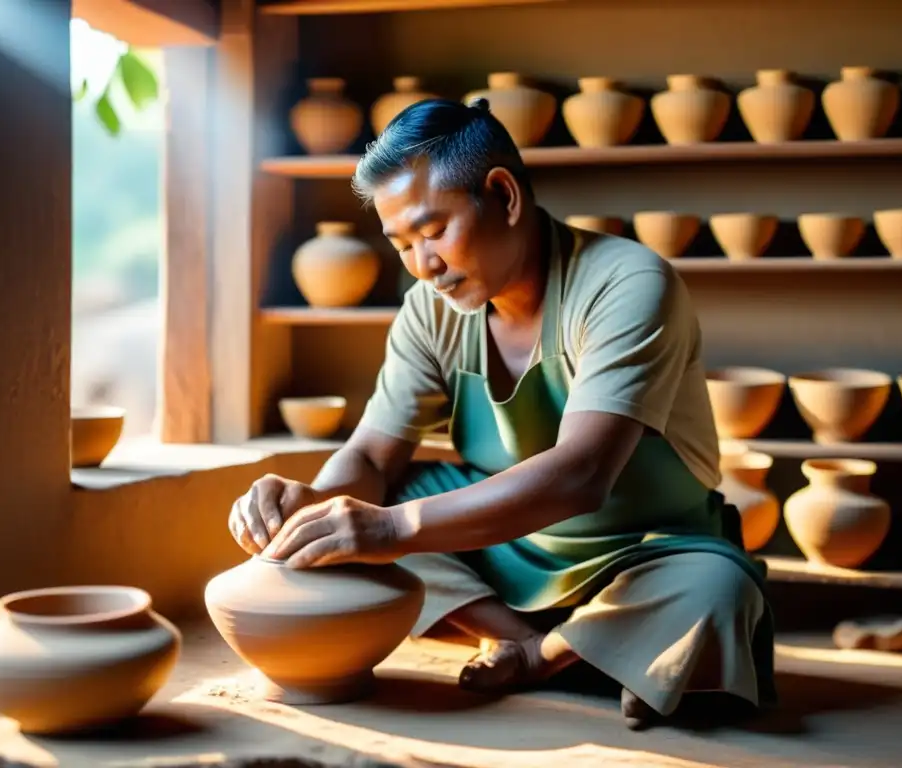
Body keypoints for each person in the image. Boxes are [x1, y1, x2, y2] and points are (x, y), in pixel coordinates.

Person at [228, 96, 775, 730]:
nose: (423, 265)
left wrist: (388, 530)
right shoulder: (428, 310)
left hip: (647, 552)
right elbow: (374, 455)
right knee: (387, 499)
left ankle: (549, 654)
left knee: (717, 589)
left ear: (504, 195)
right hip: (504, 545)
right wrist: (313, 509)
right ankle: (529, 639)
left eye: (434, 232)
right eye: (401, 244)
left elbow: (581, 474)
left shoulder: (626, 283)